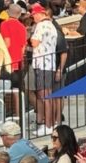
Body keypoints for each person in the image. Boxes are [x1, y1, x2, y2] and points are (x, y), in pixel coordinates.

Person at [28, 4, 60, 135]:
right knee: (47, 95)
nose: (33, 18)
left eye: (33, 16)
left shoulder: (40, 25)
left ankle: (48, 125)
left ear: (39, 14)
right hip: (50, 64)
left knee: (44, 96)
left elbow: (34, 42)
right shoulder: (52, 25)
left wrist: (30, 38)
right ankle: (50, 124)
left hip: (42, 64)